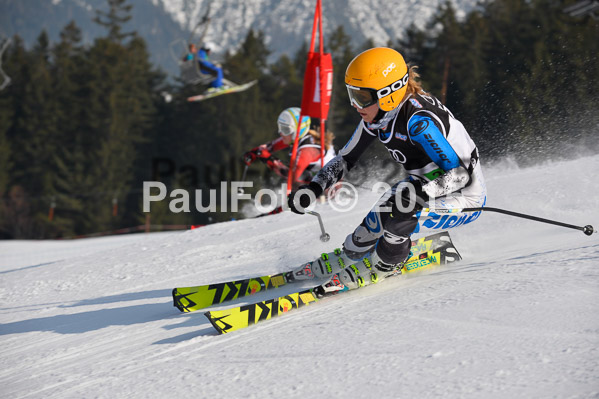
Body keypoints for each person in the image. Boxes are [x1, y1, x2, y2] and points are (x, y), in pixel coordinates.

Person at [288, 47, 486, 290]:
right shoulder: (380, 117)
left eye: (361, 97)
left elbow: (459, 176)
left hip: (463, 196)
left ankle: (385, 265)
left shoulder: (418, 122)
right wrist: (314, 187)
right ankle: (351, 255)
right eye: (352, 95)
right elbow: (345, 159)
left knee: (399, 218)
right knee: (373, 223)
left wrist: (419, 197)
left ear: (387, 94)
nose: (354, 104)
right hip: (424, 185)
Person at [243, 107, 336, 187]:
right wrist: (254, 152)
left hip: (330, 190)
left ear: (297, 131)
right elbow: (269, 147)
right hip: (317, 181)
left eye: (285, 129)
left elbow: (292, 180)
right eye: (280, 127)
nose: (280, 132)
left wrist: (271, 161)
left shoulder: (306, 151)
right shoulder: (296, 137)